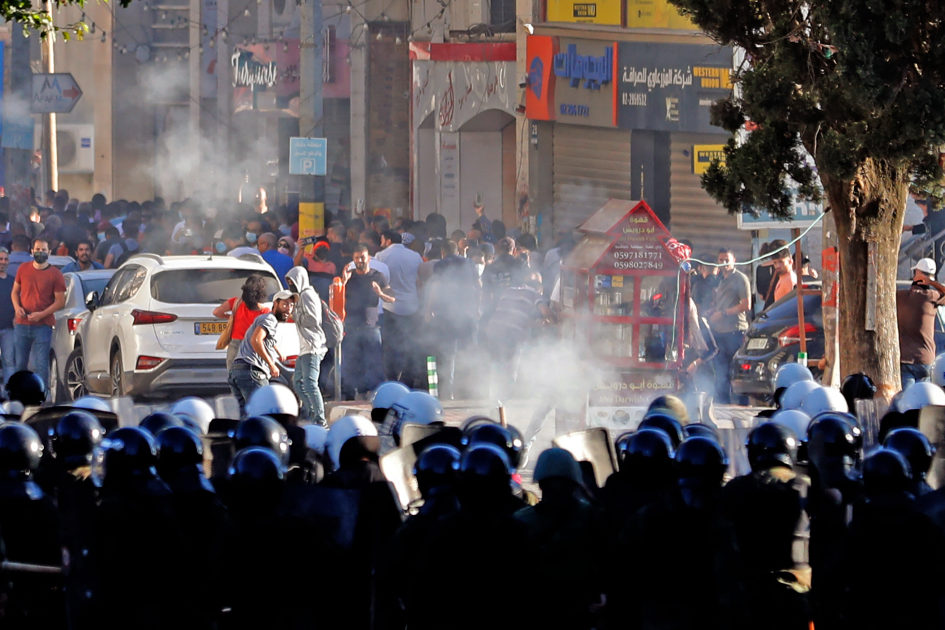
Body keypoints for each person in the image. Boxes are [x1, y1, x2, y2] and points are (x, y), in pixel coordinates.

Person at [227, 290, 295, 414]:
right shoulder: (270, 319)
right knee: (263, 412)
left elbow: (264, 339)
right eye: (285, 304)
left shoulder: (264, 318)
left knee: (247, 418)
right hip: (252, 372)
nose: (288, 309)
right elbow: (256, 340)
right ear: (275, 304)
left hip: (237, 371)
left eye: (291, 305)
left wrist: (278, 351)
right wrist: (271, 365)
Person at [341, 244, 395, 400]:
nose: (360, 261)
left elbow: (392, 298)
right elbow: (336, 298)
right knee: (351, 361)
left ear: (369, 258)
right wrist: (343, 283)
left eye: (362, 257)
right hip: (351, 325)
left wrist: (380, 293)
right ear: (353, 259)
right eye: (357, 258)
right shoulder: (349, 276)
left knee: (373, 362)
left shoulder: (377, 276)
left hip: (371, 325)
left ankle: (373, 392)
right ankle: (350, 393)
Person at [11, 238, 65, 389]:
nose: (40, 252)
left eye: (43, 250)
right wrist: (17, 308)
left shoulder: (55, 274)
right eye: (37, 250)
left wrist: (41, 314)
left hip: (43, 326)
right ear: (32, 251)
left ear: (49, 252)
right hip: (22, 324)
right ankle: (18, 396)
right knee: (20, 364)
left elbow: (60, 301)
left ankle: (40, 396)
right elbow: (15, 292)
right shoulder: (23, 268)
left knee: (41, 364)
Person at [375, 230, 422, 388]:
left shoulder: (381, 256)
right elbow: (419, 280)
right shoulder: (415, 256)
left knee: (389, 346)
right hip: (411, 306)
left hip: (390, 308)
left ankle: (392, 380)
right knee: (409, 345)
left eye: (382, 239)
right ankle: (407, 380)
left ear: (387, 240)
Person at [285, 266, 328, 425]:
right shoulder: (300, 296)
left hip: (312, 346)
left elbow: (312, 320)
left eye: (292, 282)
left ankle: (320, 419)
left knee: (310, 383)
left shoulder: (307, 295)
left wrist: (295, 315)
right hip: (304, 347)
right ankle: (311, 412)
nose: (291, 285)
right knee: (298, 382)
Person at [708, 249, 751, 404]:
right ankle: (723, 407)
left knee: (737, 373)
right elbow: (721, 303)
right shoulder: (720, 279)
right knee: (721, 373)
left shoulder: (740, 278)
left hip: (735, 332)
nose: (724, 263)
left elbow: (746, 305)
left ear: (734, 260)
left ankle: (741, 407)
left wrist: (724, 313)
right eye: (721, 260)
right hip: (719, 332)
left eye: (727, 259)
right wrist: (713, 312)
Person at [897, 258, 945, 389]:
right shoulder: (933, 297)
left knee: (908, 401)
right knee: (924, 399)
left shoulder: (900, 296)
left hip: (905, 360)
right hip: (926, 360)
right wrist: (932, 282)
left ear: (916, 273)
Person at [212, 274, 271, 370]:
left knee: (233, 377)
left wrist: (230, 317)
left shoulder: (236, 303)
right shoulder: (265, 311)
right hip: (253, 348)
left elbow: (216, 312)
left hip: (235, 345)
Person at [0, 248, 16, 387]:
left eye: (5, 259)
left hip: (9, 328)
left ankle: (9, 394)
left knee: (9, 362)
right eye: (1, 259)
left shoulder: (12, 281)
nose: (3, 262)